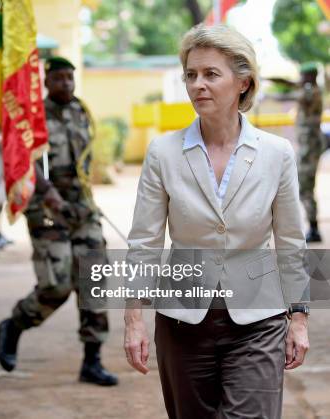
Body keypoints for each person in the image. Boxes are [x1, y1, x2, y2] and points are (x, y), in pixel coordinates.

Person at [123, 24, 309, 419]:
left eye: (211, 74)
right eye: (191, 75)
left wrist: (300, 318)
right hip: (182, 321)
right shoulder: (163, 153)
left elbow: (291, 242)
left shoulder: (277, 153)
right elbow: (145, 241)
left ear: (243, 83)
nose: (197, 85)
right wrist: (133, 318)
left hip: (259, 319)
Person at [0, 56, 118, 386]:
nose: (66, 83)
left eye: (70, 78)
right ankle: (16, 324)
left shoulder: (81, 111)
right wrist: (47, 191)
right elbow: (19, 156)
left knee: (94, 281)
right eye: (59, 78)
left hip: (82, 208)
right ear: (46, 81)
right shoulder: (34, 116)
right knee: (57, 285)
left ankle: (92, 360)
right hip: (47, 208)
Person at [295, 63, 324, 243]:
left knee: (305, 187)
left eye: (303, 76)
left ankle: (314, 229)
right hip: (309, 146)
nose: (301, 79)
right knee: (304, 187)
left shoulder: (310, 92)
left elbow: (294, 95)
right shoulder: (313, 90)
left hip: (309, 147)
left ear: (310, 76)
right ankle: (313, 227)